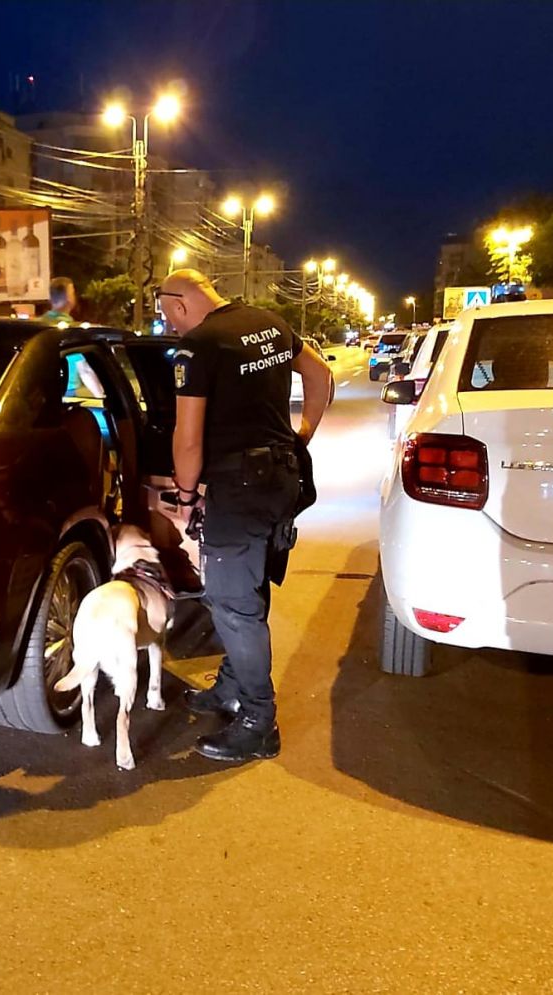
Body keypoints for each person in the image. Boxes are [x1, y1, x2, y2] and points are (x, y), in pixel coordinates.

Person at [157, 269, 332, 762]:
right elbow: (320, 374)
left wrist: (185, 497)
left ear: (181, 304)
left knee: (232, 603)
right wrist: (302, 434)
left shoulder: (199, 347)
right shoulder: (269, 323)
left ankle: (258, 722)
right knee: (249, 590)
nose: (170, 326)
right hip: (281, 480)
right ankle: (232, 688)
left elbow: (187, 439)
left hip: (239, 488)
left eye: (168, 316)